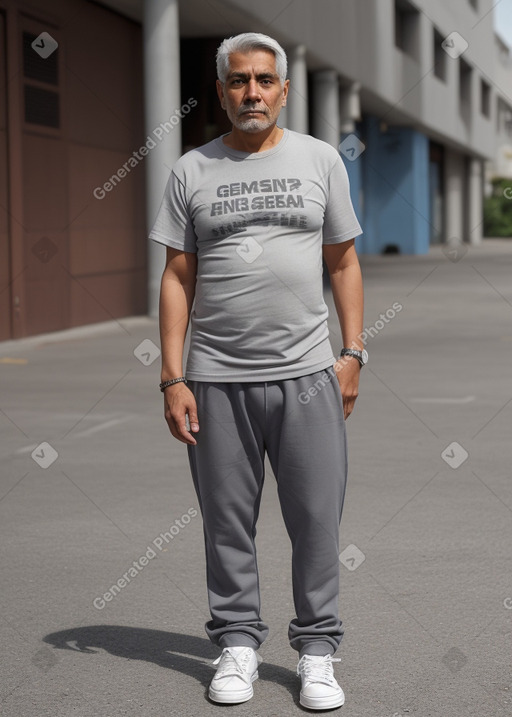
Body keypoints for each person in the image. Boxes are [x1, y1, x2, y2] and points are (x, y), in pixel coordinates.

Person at [149, 32, 366, 711]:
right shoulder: (191, 170)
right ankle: (238, 643)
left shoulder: (321, 160)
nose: (252, 92)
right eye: (239, 81)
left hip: (308, 374)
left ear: (283, 88)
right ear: (220, 91)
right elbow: (178, 275)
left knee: (315, 522)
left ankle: (318, 651)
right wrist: (173, 375)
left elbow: (343, 262)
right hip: (214, 379)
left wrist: (354, 352)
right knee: (226, 523)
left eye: (264, 80)